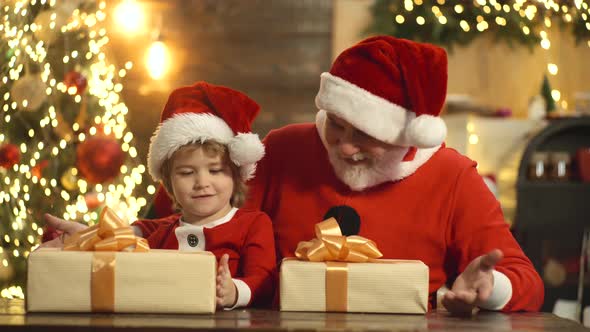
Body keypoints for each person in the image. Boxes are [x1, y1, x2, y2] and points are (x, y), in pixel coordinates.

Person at [42, 82, 276, 310]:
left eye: (215, 170)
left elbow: (264, 279)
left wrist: (234, 291)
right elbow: (120, 239)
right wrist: (86, 235)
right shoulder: (157, 231)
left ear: (236, 176)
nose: (202, 183)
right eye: (186, 172)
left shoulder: (253, 224)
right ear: (169, 184)